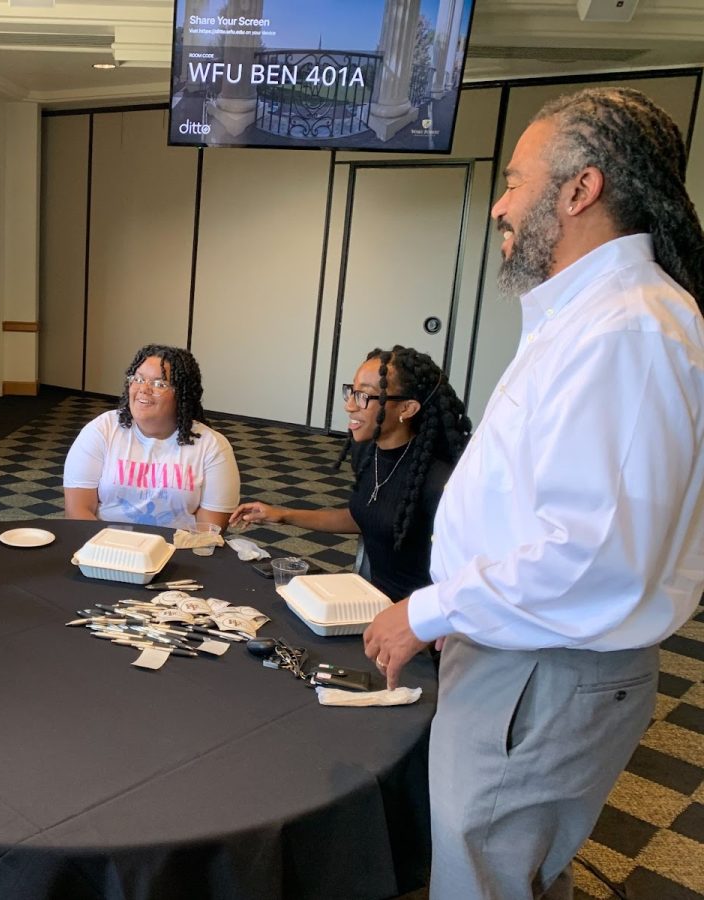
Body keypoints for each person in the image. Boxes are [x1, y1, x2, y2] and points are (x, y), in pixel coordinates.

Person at [363, 87, 704, 899]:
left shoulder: (627, 330)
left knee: (479, 882)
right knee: (492, 870)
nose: (499, 207)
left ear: (580, 190)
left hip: (545, 670)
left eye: (515, 182)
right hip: (523, 652)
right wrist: (466, 613)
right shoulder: (591, 317)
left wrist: (429, 610)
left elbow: (590, 554)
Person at [230, 346, 471, 600]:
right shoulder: (367, 452)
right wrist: (283, 514)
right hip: (370, 598)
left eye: (364, 396)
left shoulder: (439, 482)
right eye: (351, 392)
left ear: (407, 408)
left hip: (417, 618)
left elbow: (462, 580)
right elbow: (367, 516)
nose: (349, 405)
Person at [64, 344, 239, 530]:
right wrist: (111, 550)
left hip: (177, 552)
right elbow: (77, 511)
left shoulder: (213, 446)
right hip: (105, 549)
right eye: (138, 379)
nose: (144, 389)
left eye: (159, 384)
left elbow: (210, 529)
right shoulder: (102, 430)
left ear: (182, 394)